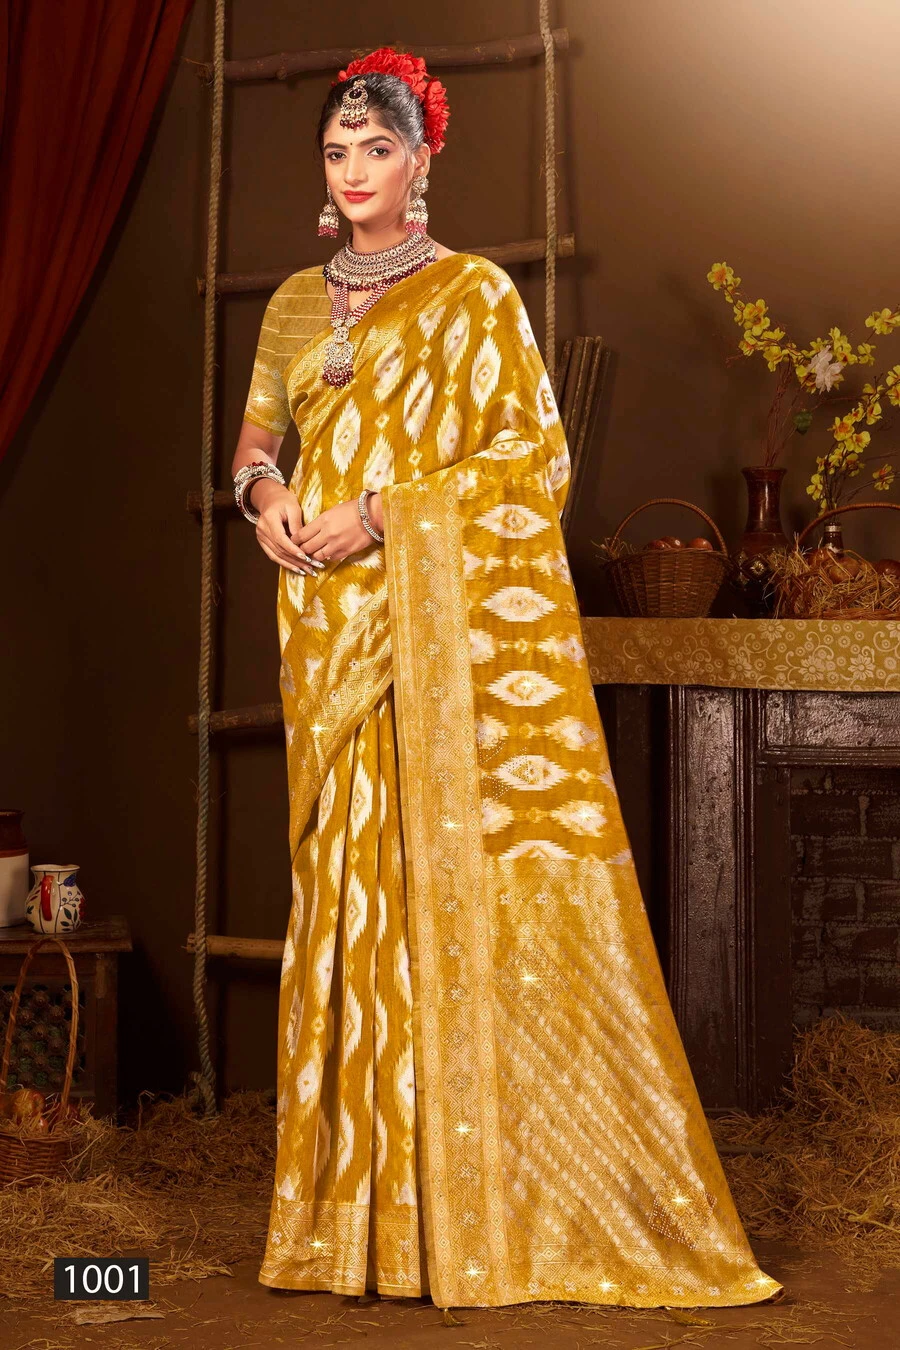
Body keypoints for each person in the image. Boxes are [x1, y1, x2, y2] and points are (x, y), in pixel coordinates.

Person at [232, 46, 784, 1312]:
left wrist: (383, 512)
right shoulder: (294, 307)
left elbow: (533, 463)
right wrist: (267, 503)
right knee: (352, 900)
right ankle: (356, 1223)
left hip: (427, 624)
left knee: (442, 891)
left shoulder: (473, 295)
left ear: (421, 161)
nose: (355, 171)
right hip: (325, 623)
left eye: (377, 149)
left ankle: (470, 1209)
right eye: (337, 151)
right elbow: (258, 444)